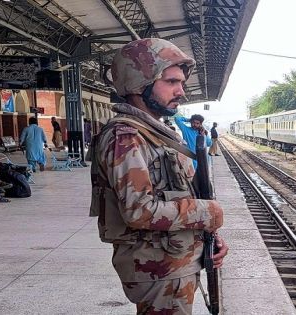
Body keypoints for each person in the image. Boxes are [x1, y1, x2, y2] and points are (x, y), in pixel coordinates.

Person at [89, 38, 228, 315]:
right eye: (171, 82)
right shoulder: (126, 138)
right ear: (139, 82)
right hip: (158, 270)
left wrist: (205, 236)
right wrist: (207, 212)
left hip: (172, 263)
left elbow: (175, 194)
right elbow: (139, 211)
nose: (181, 91)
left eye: (181, 83)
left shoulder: (154, 135)